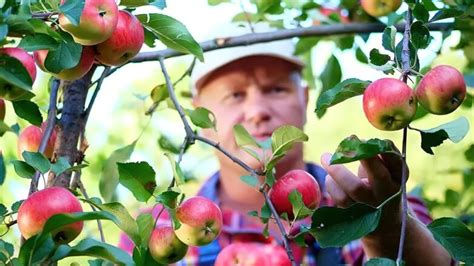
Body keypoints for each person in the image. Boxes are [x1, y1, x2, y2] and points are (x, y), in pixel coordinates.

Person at [120, 24, 453, 265]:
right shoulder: (162, 228)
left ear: (305, 100)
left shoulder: (371, 203)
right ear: (201, 117)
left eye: (276, 89)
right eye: (234, 95)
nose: (257, 111)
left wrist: (384, 229)